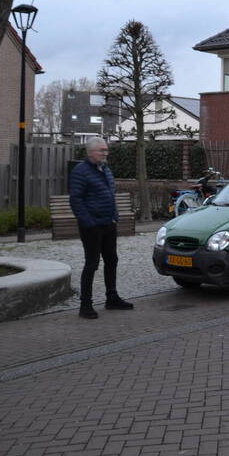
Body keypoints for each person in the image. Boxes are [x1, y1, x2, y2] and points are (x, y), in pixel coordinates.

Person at [69, 136, 134, 319]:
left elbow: (110, 195)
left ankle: (112, 298)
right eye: (102, 150)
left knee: (112, 260)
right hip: (92, 226)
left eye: (106, 150)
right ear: (90, 152)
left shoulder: (105, 169)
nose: (106, 153)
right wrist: (88, 223)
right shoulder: (80, 172)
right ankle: (85, 305)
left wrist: (114, 217)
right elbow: (76, 200)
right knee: (92, 263)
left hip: (108, 223)